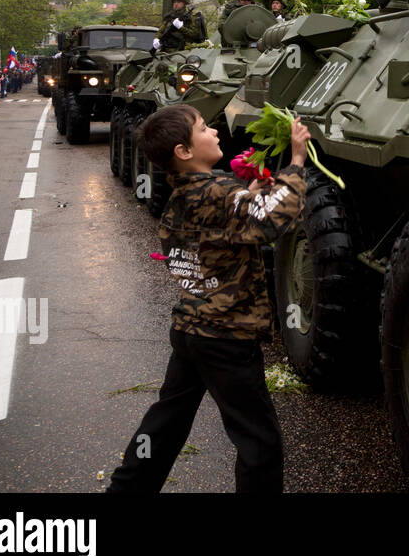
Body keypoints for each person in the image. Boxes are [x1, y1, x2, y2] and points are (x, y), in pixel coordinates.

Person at [106, 103, 309, 493]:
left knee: (165, 425)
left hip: (191, 330)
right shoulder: (218, 192)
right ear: (184, 151)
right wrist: (296, 162)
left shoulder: (184, 195)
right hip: (226, 338)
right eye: (202, 128)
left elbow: (216, 230)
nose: (214, 131)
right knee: (259, 442)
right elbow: (271, 221)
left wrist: (244, 197)